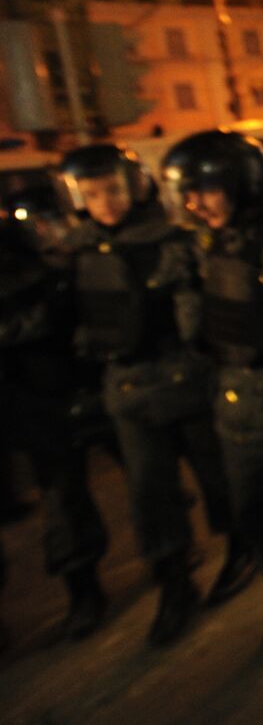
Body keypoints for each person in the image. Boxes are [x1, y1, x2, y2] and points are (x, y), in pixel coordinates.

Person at [57, 144, 251, 646]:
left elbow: (196, 309)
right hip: (126, 388)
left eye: (114, 189)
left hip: (182, 378)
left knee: (216, 475)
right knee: (149, 492)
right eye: (93, 193)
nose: (106, 202)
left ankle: (242, 549)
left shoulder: (169, 240)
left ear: (134, 185)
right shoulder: (77, 250)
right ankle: (173, 581)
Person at [160, 130, 263, 650]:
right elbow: (200, 331)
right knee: (260, 516)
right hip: (237, 408)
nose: (194, 204)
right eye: (185, 192)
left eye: (205, 189)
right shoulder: (202, 243)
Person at [0, 180, 109, 641]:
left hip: (47, 395)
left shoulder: (22, 252)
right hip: (22, 400)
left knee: (65, 497)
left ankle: (85, 589)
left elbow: (46, 314)